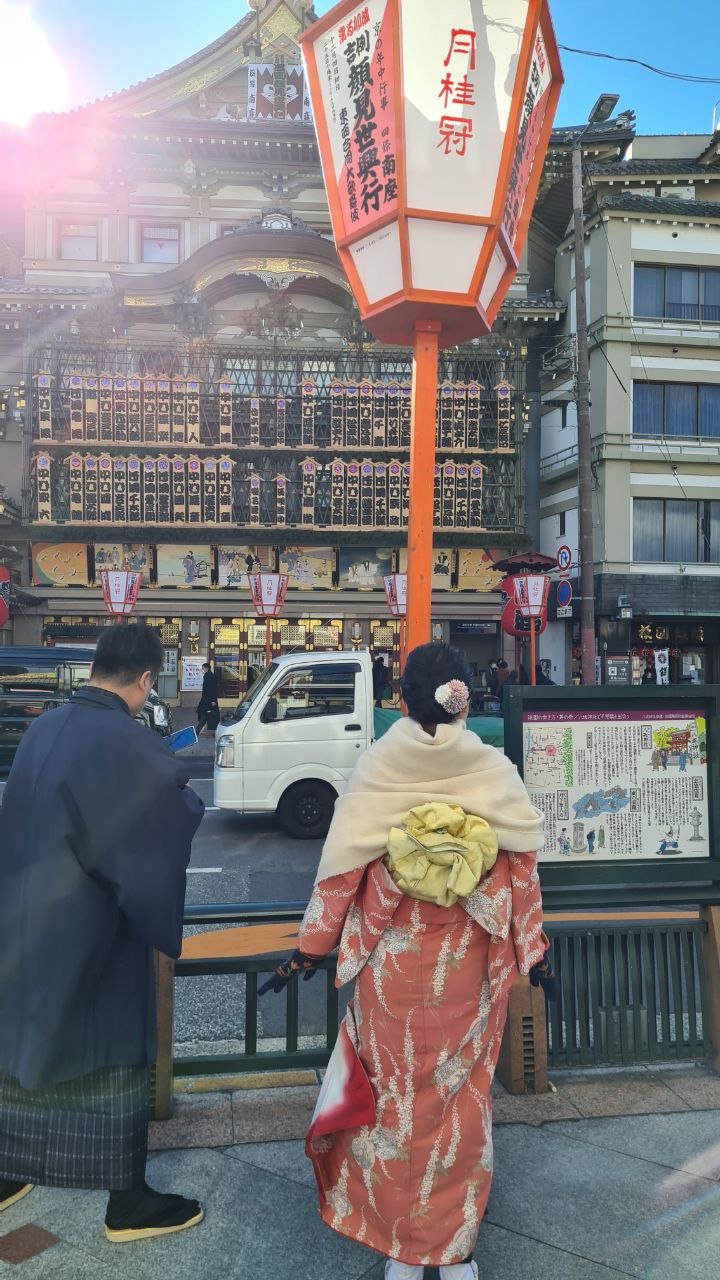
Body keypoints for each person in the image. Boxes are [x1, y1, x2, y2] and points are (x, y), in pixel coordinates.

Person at [261, 643, 551, 1279]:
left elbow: (339, 873)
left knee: (393, 1105)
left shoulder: (378, 767)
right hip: (468, 969)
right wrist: (533, 951)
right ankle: (455, 1254)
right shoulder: (491, 768)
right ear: (465, 701)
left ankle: (402, 1251)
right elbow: (521, 866)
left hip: (392, 970)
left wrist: (308, 951)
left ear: (399, 702)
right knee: (461, 1106)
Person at [0, 625, 204, 1241]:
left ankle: (8, 1171)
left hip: (20, 917)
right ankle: (128, 1202)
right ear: (145, 679)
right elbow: (168, 813)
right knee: (111, 1051)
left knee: (23, 1041)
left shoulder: (43, 728)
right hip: (89, 924)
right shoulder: (124, 741)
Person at [196, 661, 220, 734]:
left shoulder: (208, 676)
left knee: (206, 714)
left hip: (208, 699)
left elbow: (212, 689)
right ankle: (199, 729)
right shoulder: (209, 675)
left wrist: (213, 700)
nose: (202, 670)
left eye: (203, 668)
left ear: (206, 668)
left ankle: (198, 730)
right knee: (206, 714)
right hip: (208, 699)